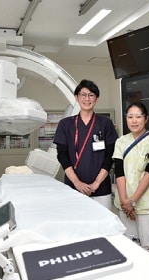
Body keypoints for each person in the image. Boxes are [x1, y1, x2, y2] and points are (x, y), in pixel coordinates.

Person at [53, 79, 118, 209]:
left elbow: (110, 155)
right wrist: (77, 183)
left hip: (100, 189)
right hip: (73, 188)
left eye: (91, 95)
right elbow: (62, 156)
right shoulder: (66, 124)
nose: (87, 98)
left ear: (96, 98)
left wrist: (96, 183)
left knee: (103, 227)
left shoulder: (105, 124)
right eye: (83, 95)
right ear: (76, 98)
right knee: (76, 226)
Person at [113, 102, 149, 258]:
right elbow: (119, 173)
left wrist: (132, 201)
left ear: (146, 119)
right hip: (124, 206)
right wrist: (125, 202)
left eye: (138, 117)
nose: (134, 121)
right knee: (129, 249)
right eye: (130, 117)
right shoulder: (121, 142)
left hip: (147, 207)